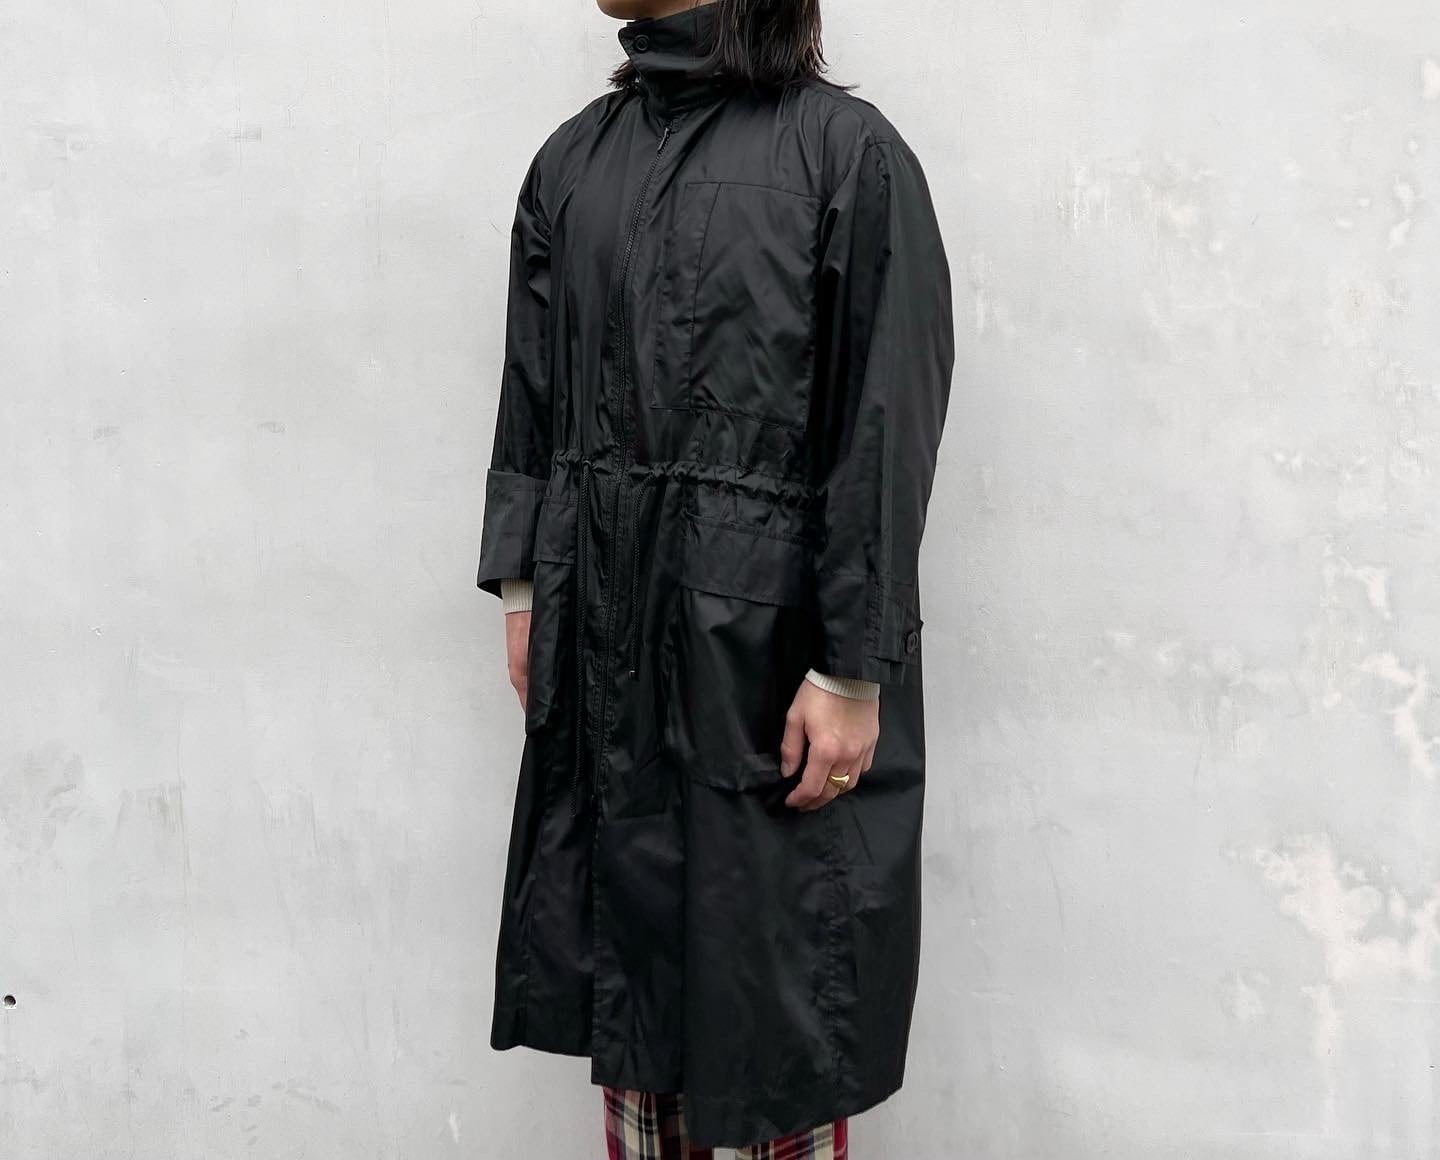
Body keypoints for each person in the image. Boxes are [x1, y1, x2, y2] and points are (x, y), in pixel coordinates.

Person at [475, 0, 954, 1154]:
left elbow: (885, 418)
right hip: (610, 650)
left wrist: (852, 668)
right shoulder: (575, 159)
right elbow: (533, 392)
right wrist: (527, 586)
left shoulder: (845, 154)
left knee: (764, 1027)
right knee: (636, 1003)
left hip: (767, 664)